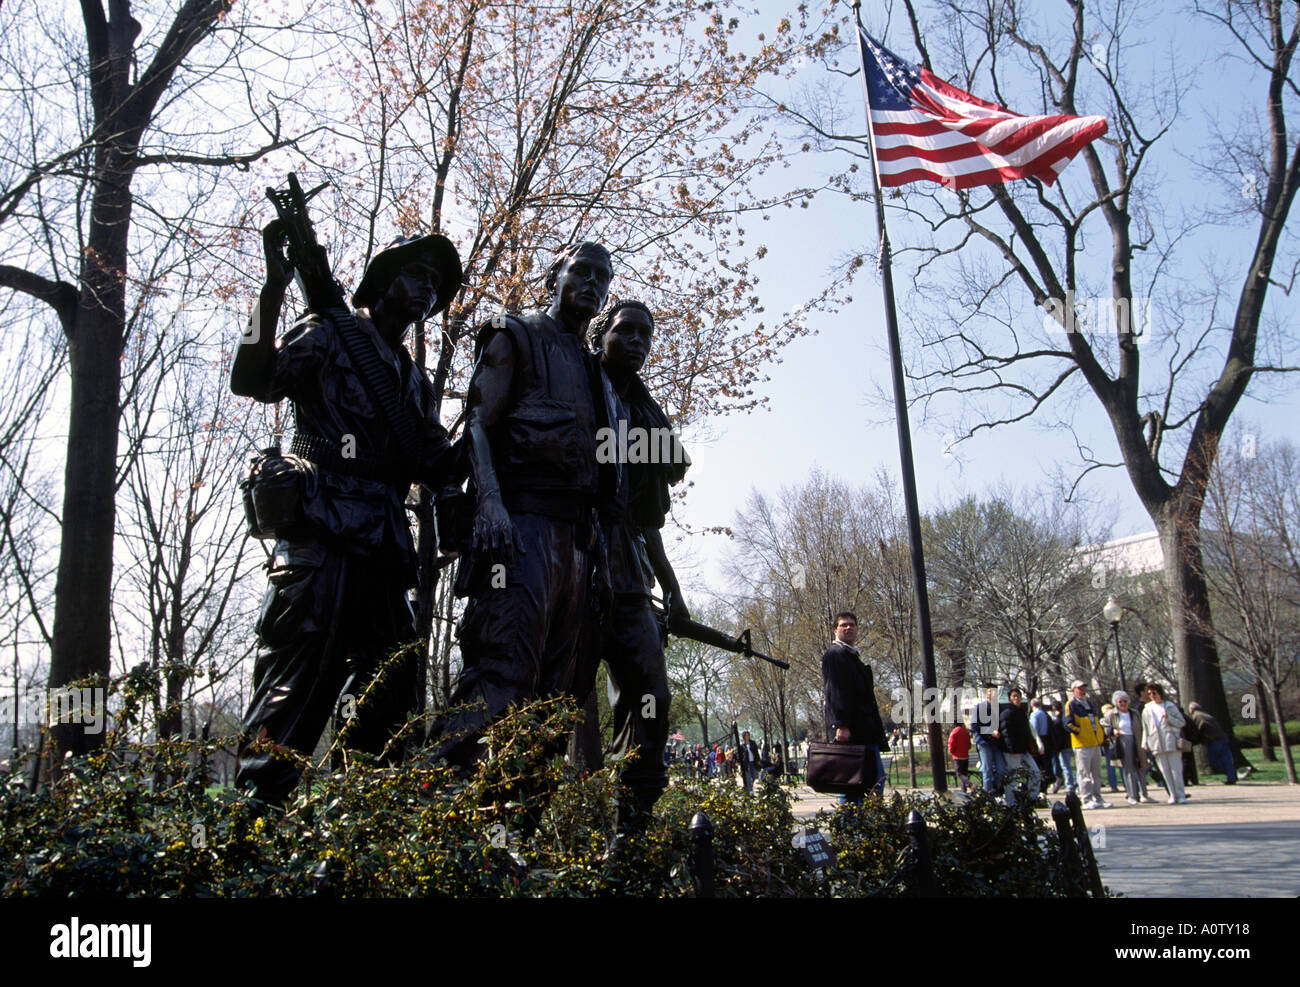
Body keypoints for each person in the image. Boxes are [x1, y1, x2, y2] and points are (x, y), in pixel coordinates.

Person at [230, 225, 462, 805]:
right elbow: (253, 379)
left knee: (392, 683)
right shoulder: (332, 331)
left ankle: (355, 816)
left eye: (437, 283)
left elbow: (435, 457)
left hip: (384, 543)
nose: (428, 289)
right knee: (300, 680)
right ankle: (250, 831)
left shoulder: (412, 379)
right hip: (323, 528)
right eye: (417, 274)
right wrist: (270, 292)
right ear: (382, 281)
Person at [429, 241, 612, 774]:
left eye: (604, 277)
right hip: (519, 528)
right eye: (582, 270)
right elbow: (479, 425)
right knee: (500, 680)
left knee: (555, 703)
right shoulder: (515, 333)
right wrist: (488, 501)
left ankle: (513, 837)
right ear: (554, 276)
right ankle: (434, 817)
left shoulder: (592, 366)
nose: (594, 283)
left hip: (577, 543)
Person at [569, 298, 690, 844]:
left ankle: (630, 838)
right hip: (570, 555)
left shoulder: (644, 409)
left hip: (628, 566)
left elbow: (648, 519)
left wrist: (673, 589)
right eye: (627, 331)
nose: (639, 341)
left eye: (648, 333)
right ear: (601, 336)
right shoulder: (574, 383)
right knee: (552, 701)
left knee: (652, 697)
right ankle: (517, 836)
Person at [821, 611, 888, 799]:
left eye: (852, 624)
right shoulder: (835, 655)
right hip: (851, 734)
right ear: (835, 630)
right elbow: (835, 692)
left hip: (864, 731)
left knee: (870, 781)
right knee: (852, 784)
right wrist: (841, 725)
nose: (848, 627)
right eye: (843, 625)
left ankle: (862, 826)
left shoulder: (851, 656)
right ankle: (850, 827)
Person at [1063, 680, 1111, 809]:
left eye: (1084, 689)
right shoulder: (1071, 704)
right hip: (1082, 744)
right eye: (1079, 689)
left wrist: (1100, 736)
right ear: (1074, 690)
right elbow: (1067, 724)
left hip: (1094, 743)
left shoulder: (1089, 703)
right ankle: (1086, 798)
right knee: (1084, 773)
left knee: (1097, 773)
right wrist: (1081, 732)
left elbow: (1095, 721)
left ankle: (1098, 797)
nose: (1082, 691)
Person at [1102, 691, 1155, 804]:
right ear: (1116, 703)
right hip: (1123, 741)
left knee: (1141, 767)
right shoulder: (1112, 714)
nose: (1123, 703)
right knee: (1128, 768)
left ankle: (1144, 795)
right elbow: (1105, 726)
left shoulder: (1134, 713)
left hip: (1137, 739)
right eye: (1120, 701)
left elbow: (1142, 726)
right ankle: (1132, 796)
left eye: (1125, 701)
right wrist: (1113, 730)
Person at [1142, 682, 1187, 803]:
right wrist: (1145, 743)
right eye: (1150, 693)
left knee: (1176, 770)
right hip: (1156, 743)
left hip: (1171, 741)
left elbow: (1181, 722)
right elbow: (1145, 727)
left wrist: (1169, 718)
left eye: (1154, 693)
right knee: (1165, 771)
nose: (1152, 695)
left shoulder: (1169, 706)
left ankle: (1181, 794)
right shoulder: (1147, 709)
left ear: (1160, 693)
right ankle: (1172, 794)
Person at [999, 686, 1042, 803]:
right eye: (1014, 696)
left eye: (1018, 696)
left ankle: (1031, 799)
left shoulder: (1022, 713)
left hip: (1024, 750)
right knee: (1012, 778)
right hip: (1012, 752)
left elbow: (1027, 731)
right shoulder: (1006, 714)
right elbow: (1006, 734)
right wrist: (1013, 750)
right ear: (1010, 699)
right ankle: (1010, 802)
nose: (1017, 698)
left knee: (1036, 774)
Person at [1187, 702, 1237, 784]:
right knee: (1227, 759)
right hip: (1223, 738)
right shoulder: (1207, 715)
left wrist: (1196, 740)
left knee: (1213, 760)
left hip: (1214, 741)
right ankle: (1231, 776)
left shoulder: (1197, 716)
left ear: (1191, 709)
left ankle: (1229, 773)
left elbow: (1199, 728)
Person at [970, 684, 1006, 797]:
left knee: (1001, 769)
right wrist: (991, 731)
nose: (992, 694)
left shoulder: (1000, 708)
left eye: (994, 691)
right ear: (987, 694)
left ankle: (995, 790)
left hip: (998, 744)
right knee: (987, 770)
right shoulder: (980, 707)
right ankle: (987, 797)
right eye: (990, 691)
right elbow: (974, 726)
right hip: (984, 743)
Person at [1029, 698, 1057, 792]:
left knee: (1038, 764)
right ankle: (1046, 783)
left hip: (1039, 740)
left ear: (1032, 706)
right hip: (1047, 740)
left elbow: (1034, 729)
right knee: (1046, 763)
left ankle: (1041, 785)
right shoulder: (1045, 714)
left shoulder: (1034, 715)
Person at [1047, 701, 1075, 792]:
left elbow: (1058, 736)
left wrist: (1056, 747)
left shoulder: (1057, 721)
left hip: (1062, 746)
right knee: (1068, 765)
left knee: (1066, 765)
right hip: (1068, 743)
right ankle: (1070, 783)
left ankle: (1070, 784)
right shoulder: (1065, 718)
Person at [948, 719, 972, 793]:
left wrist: (951, 752)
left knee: (959, 774)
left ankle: (970, 784)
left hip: (957, 756)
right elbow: (969, 745)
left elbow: (951, 744)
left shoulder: (954, 732)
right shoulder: (966, 731)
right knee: (964, 773)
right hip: (965, 756)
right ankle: (963, 790)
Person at [739, 730, 762, 794]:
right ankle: (750, 790)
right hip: (747, 763)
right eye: (746, 735)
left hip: (753, 762)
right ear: (743, 737)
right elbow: (740, 755)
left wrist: (758, 760)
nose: (747, 737)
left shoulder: (753, 743)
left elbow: (756, 752)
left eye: (748, 735)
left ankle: (750, 786)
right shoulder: (742, 745)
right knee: (748, 777)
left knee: (755, 775)